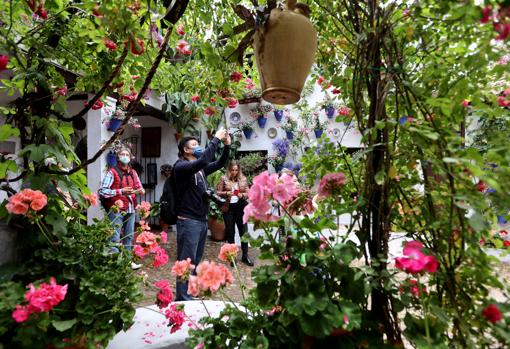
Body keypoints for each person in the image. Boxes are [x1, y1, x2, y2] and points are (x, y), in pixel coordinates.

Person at [173, 128, 230, 301]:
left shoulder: (200, 170)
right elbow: (205, 158)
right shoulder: (181, 166)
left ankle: (190, 293)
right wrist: (216, 139)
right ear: (186, 150)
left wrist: (227, 146)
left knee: (195, 262)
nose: (199, 148)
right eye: (195, 145)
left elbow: (219, 163)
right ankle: (183, 299)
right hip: (188, 221)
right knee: (186, 263)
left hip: (201, 220)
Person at [98, 147, 145, 270]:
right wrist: (120, 191)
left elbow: (139, 187)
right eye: (122, 154)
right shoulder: (111, 172)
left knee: (129, 236)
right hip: (117, 208)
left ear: (130, 157)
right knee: (115, 236)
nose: (125, 156)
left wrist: (141, 190)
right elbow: (102, 191)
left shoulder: (133, 172)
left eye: (127, 154)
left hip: (131, 207)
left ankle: (127, 261)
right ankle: (114, 263)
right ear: (118, 157)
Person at [216, 160, 253, 266]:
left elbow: (248, 192)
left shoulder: (243, 179)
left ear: (239, 170)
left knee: (244, 233)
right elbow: (217, 193)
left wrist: (242, 195)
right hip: (228, 209)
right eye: (232, 170)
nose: (234, 172)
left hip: (240, 208)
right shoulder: (223, 179)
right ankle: (232, 257)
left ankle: (245, 256)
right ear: (229, 169)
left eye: (236, 170)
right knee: (231, 233)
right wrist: (227, 193)